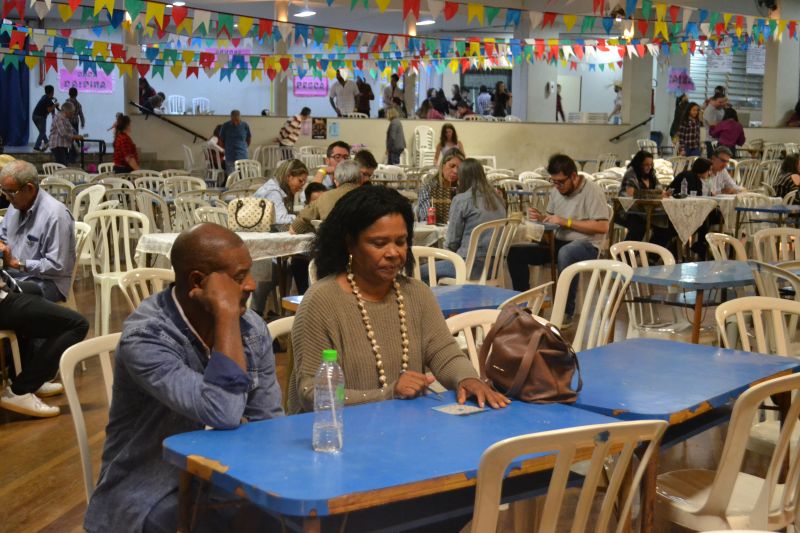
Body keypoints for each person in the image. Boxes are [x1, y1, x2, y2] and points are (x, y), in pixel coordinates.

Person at [84, 224, 283, 533]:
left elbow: (267, 422)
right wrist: (226, 316)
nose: (251, 285)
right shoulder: (147, 337)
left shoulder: (251, 328)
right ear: (198, 281)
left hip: (224, 473)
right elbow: (223, 410)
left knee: (286, 519)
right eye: (239, 277)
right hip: (151, 483)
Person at [287, 185, 509, 413]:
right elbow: (312, 392)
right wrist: (387, 394)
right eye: (379, 243)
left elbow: (444, 353)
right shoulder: (321, 302)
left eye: (401, 242)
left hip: (404, 426)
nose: (394, 253)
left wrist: (467, 379)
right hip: (336, 429)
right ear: (350, 244)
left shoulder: (416, 294)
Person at [507, 155, 609, 327]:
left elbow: (602, 226)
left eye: (561, 182)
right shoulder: (556, 191)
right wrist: (540, 219)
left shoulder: (592, 191)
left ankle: (565, 312)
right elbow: (552, 220)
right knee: (516, 252)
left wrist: (566, 222)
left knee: (567, 253)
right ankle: (525, 306)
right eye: (554, 182)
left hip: (587, 245)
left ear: (573, 176)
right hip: (557, 241)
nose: (557, 186)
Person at [0, 159, 76, 302]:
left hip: (46, 282)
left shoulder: (55, 215)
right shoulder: (15, 206)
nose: (6, 198)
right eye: (4, 191)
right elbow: (2, 237)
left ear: (29, 188)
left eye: (11, 192)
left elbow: (57, 266)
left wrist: (17, 264)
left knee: (5, 298)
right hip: (15, 276)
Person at [423, 159, 506, 281]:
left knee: (420, 270)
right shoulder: (498, 199)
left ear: (462, 178)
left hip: (468, 266)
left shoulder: (462, 200)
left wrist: (441, 255)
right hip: (494, 267)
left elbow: (452, 242)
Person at [291, 159, 368, 235]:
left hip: (333, 242)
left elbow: (294, 228)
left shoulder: (324, 197)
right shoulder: (369, 196)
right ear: (361, 180)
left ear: (336, 181)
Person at [617, 151, 673, 247]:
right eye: (646, 164)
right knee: (639, 226)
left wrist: (663, 193)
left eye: (651, 164)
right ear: (639, 164)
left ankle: (651, 254)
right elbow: (630, 193)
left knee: (667, 226)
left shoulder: (651, 175)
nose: (649, 167)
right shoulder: (631, 173)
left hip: (649, 211)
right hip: (629, 211)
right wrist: (653, 194)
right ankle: (626, 253)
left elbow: (659, 190)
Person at [416, 149, 465, 225]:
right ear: (442, 166)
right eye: (452, 166)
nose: (455, 171)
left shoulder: (463, 188)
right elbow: (425, 216)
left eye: (459, 168)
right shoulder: (428, 187)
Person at [254, 159, 309, 225]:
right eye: (300, 181)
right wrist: (302, 218)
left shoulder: (282, 189)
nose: (302, 186)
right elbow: (280, 219)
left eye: (304, 183)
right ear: (288, 177)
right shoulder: (273, 193)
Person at [48, 101, 83, 166]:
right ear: (67, 112)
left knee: (64, 164)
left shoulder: (65, 119)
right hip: (57, 145)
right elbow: (63, 133)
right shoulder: (59, 117)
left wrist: (78, 135)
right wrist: (75, 136)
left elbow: (71, 129)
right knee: (62, 165)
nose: (72, 115)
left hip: (63, 145)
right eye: (71, 113)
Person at [218, 110, 251, 176]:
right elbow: (221, 140)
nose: (235, 123)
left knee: (243, 176)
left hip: (242, 155)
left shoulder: (245, 125)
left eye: (237, 120)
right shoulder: (225, 126)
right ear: (231, 118)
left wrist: (243, 148)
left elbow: (249, 138)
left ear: (240, 118)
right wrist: (227, 149)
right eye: (233, 121)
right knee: (232, 177)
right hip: (230, 156)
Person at [32, 85, 57, 152]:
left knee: (42, 132)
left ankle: (47, 143)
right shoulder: (47, 99)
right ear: (52, 92)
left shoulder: (45, 97)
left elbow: (52, 106)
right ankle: (36, 147)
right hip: (40, 117)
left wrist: (54, 106)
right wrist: (55, 105)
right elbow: (49, 109)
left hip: (34, 116)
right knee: (42, 132)